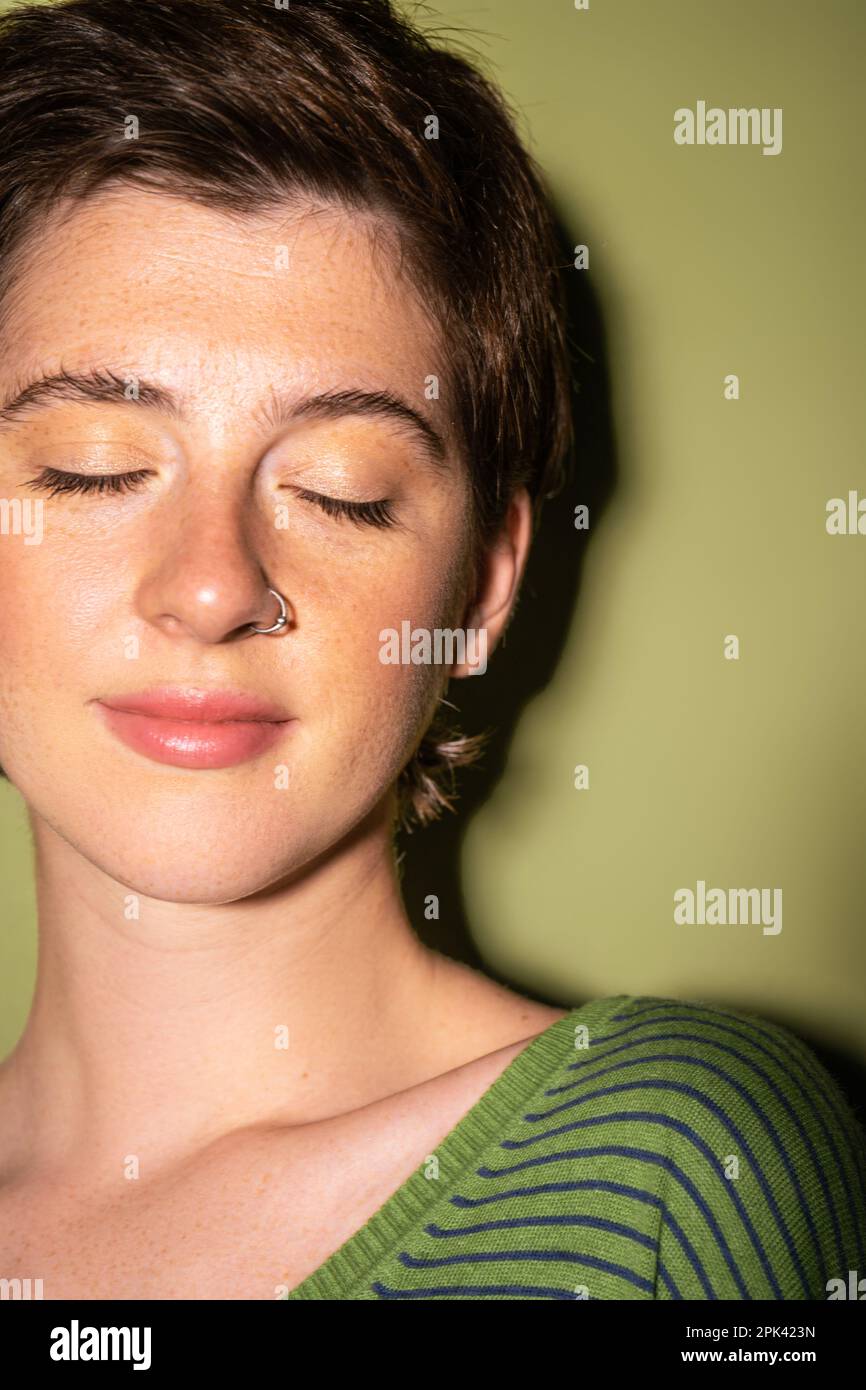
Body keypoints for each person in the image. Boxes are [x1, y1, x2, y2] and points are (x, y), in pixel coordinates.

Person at [0, 0, 862, 1301]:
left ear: (483, 585)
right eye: (95, 468)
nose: (214, 585)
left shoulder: (675, 1171)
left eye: (342, 488)